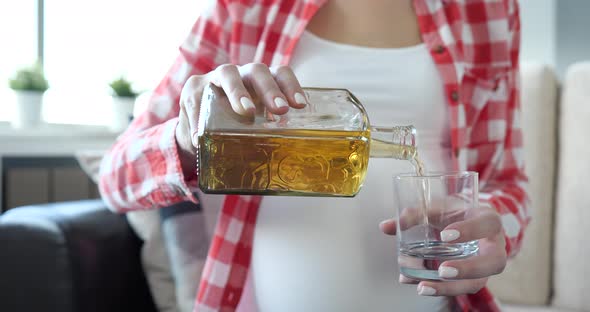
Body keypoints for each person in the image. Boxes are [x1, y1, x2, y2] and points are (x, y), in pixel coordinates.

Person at [98, 0, 529, 311]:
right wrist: (188, 133)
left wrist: (490, 230)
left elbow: (509, 184)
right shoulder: (243, 8)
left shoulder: (490, 9)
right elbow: (115, 179)